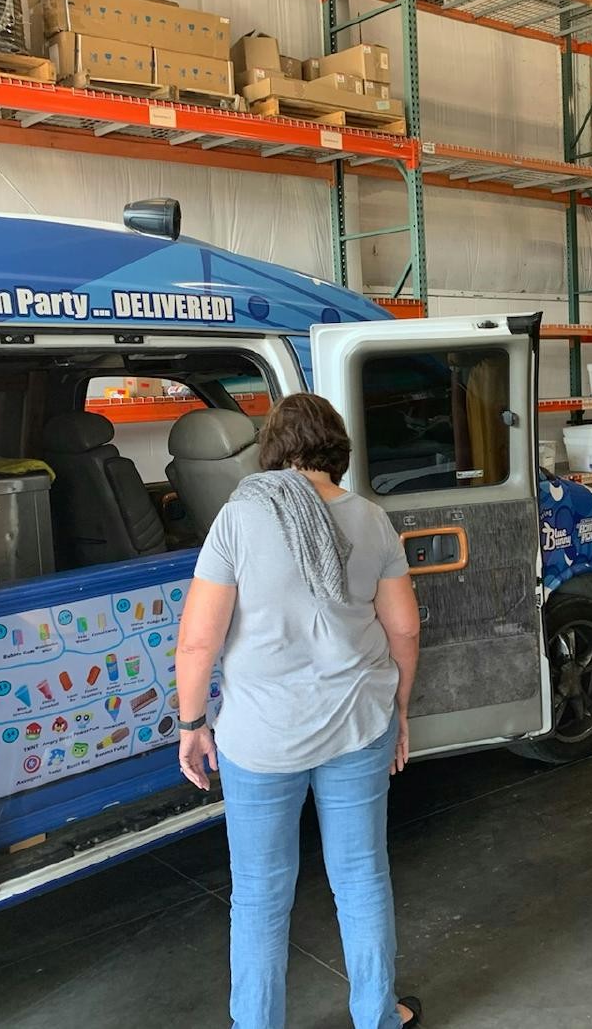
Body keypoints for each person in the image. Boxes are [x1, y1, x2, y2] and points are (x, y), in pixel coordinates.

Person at [176, 393, 423, 1029]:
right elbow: (404, 630)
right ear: (338, 451)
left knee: (258, 895)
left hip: (260, 739)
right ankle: (377, 1016)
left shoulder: (240, 519)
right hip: (356, 725)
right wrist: (399, 709)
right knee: (362, 877)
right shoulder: (371, 520)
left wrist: (192, 722)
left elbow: (200, 640)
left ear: (275, 451)